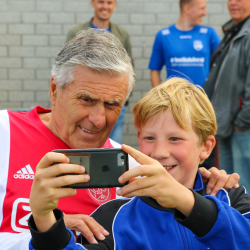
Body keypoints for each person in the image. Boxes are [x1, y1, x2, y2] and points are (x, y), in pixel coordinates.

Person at [0, 28, 229, 250]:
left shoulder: (129, 165)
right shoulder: (5, 132)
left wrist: (206, 186)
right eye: (86, 100)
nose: (99, 119)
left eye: (112, 104)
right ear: (54, 90)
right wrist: (46, 229)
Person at [28, 78, 249, 250]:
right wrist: (43, 218)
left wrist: (186, 201)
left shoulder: (233, 198)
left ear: (206, 147)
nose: (160, 152)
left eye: (175, 139)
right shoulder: (114, 217)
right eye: (149, 138)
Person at [66, 0, 133, 144]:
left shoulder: (123, 34)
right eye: (101, 2)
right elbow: (66, 66)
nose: (105, 6)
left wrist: (124, 101)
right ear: (93, 3)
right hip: (86, 101)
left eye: (109, 2)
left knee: (112, 146)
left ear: (114, 5)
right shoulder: (76, 33)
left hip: (114, 104)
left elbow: (130, 67)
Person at [203, 0, 250, 192]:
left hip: (242, 128)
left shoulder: (246, 34)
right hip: (227, 127)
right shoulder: (234, 31)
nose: (233, 3)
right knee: (230, 189)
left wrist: (242, 122)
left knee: (244, 187)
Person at [149, 0, 221, 88]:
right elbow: (155, 71)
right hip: (175, 100)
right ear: (187, 9)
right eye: (202, 8)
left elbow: (224, 64)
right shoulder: (164, 35)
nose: (205, 13)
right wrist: (161, 98)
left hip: (203, 99)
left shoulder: (209, 34)